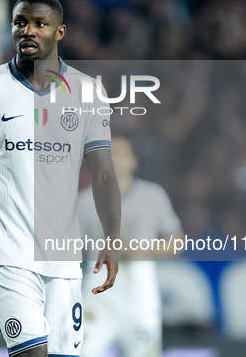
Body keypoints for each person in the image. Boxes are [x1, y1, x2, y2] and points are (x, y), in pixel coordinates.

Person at [0, 0, 121, 357]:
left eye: (40, 24)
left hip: (64, 260)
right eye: (21, 22)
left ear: (60, 32)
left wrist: (112, 237)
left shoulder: (87, 92)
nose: (28, 31)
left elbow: (103, 174)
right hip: (10, 255)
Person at [79, 137, 183, 357]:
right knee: (81, 352)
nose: (113, 158)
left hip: (139, 300)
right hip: (98, 298)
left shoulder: (152, 196)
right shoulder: (85, 201)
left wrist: (142, 249)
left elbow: (177, 241)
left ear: (133, 161)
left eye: (119, 153)